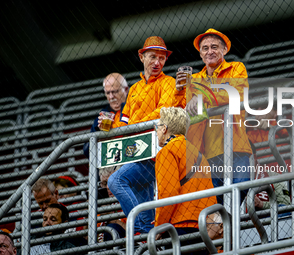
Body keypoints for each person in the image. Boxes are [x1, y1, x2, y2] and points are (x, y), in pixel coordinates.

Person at [174, 28, 252, 204]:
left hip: (235, 145)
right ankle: (226, 228)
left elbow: (237, 93)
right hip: (206, 154)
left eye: (215, 47)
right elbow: (180, 111)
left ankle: (231, 227)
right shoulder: (193, 80)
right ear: (200, 54)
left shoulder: (236, 68)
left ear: (224, 50)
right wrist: (179, 91)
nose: (210, 51)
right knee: (216, 202)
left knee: (241, 186)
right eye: (205, 48)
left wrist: (201, 97)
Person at [107, 36, 175, 234]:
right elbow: (124, 121)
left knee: (116, 181)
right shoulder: (135, 88)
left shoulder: (168, 82)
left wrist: (133, 126)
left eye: (162, 58)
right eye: (153, 56)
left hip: (154, 153)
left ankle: (135, 227)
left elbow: (164, 111)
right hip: (134, 151)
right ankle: (148, 238)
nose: (157, 62)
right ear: (141, 57)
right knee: (148, 221)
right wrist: (116, 129)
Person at [153, 107, 217, 255]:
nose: (156, 131)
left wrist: (159, 226)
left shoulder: (167, 152)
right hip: (203, 226)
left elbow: (168, 192)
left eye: (157, 127)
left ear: (164, 129)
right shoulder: (198, 154)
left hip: (179, 227)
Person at [83, 73, 129, 158]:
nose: (111, 96)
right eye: (108, 93)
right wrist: (100, 134)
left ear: (126, 90)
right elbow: (87, 151)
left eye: (114, 91)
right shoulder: (103, 116)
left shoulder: (135, 109)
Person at [97, 168, 126, 243]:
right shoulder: (103, 207)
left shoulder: (134, 198)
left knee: (113, 228)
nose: (107, 187)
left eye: (112, 181)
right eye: (105, 183)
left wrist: (111, 218)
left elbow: (137, 234)